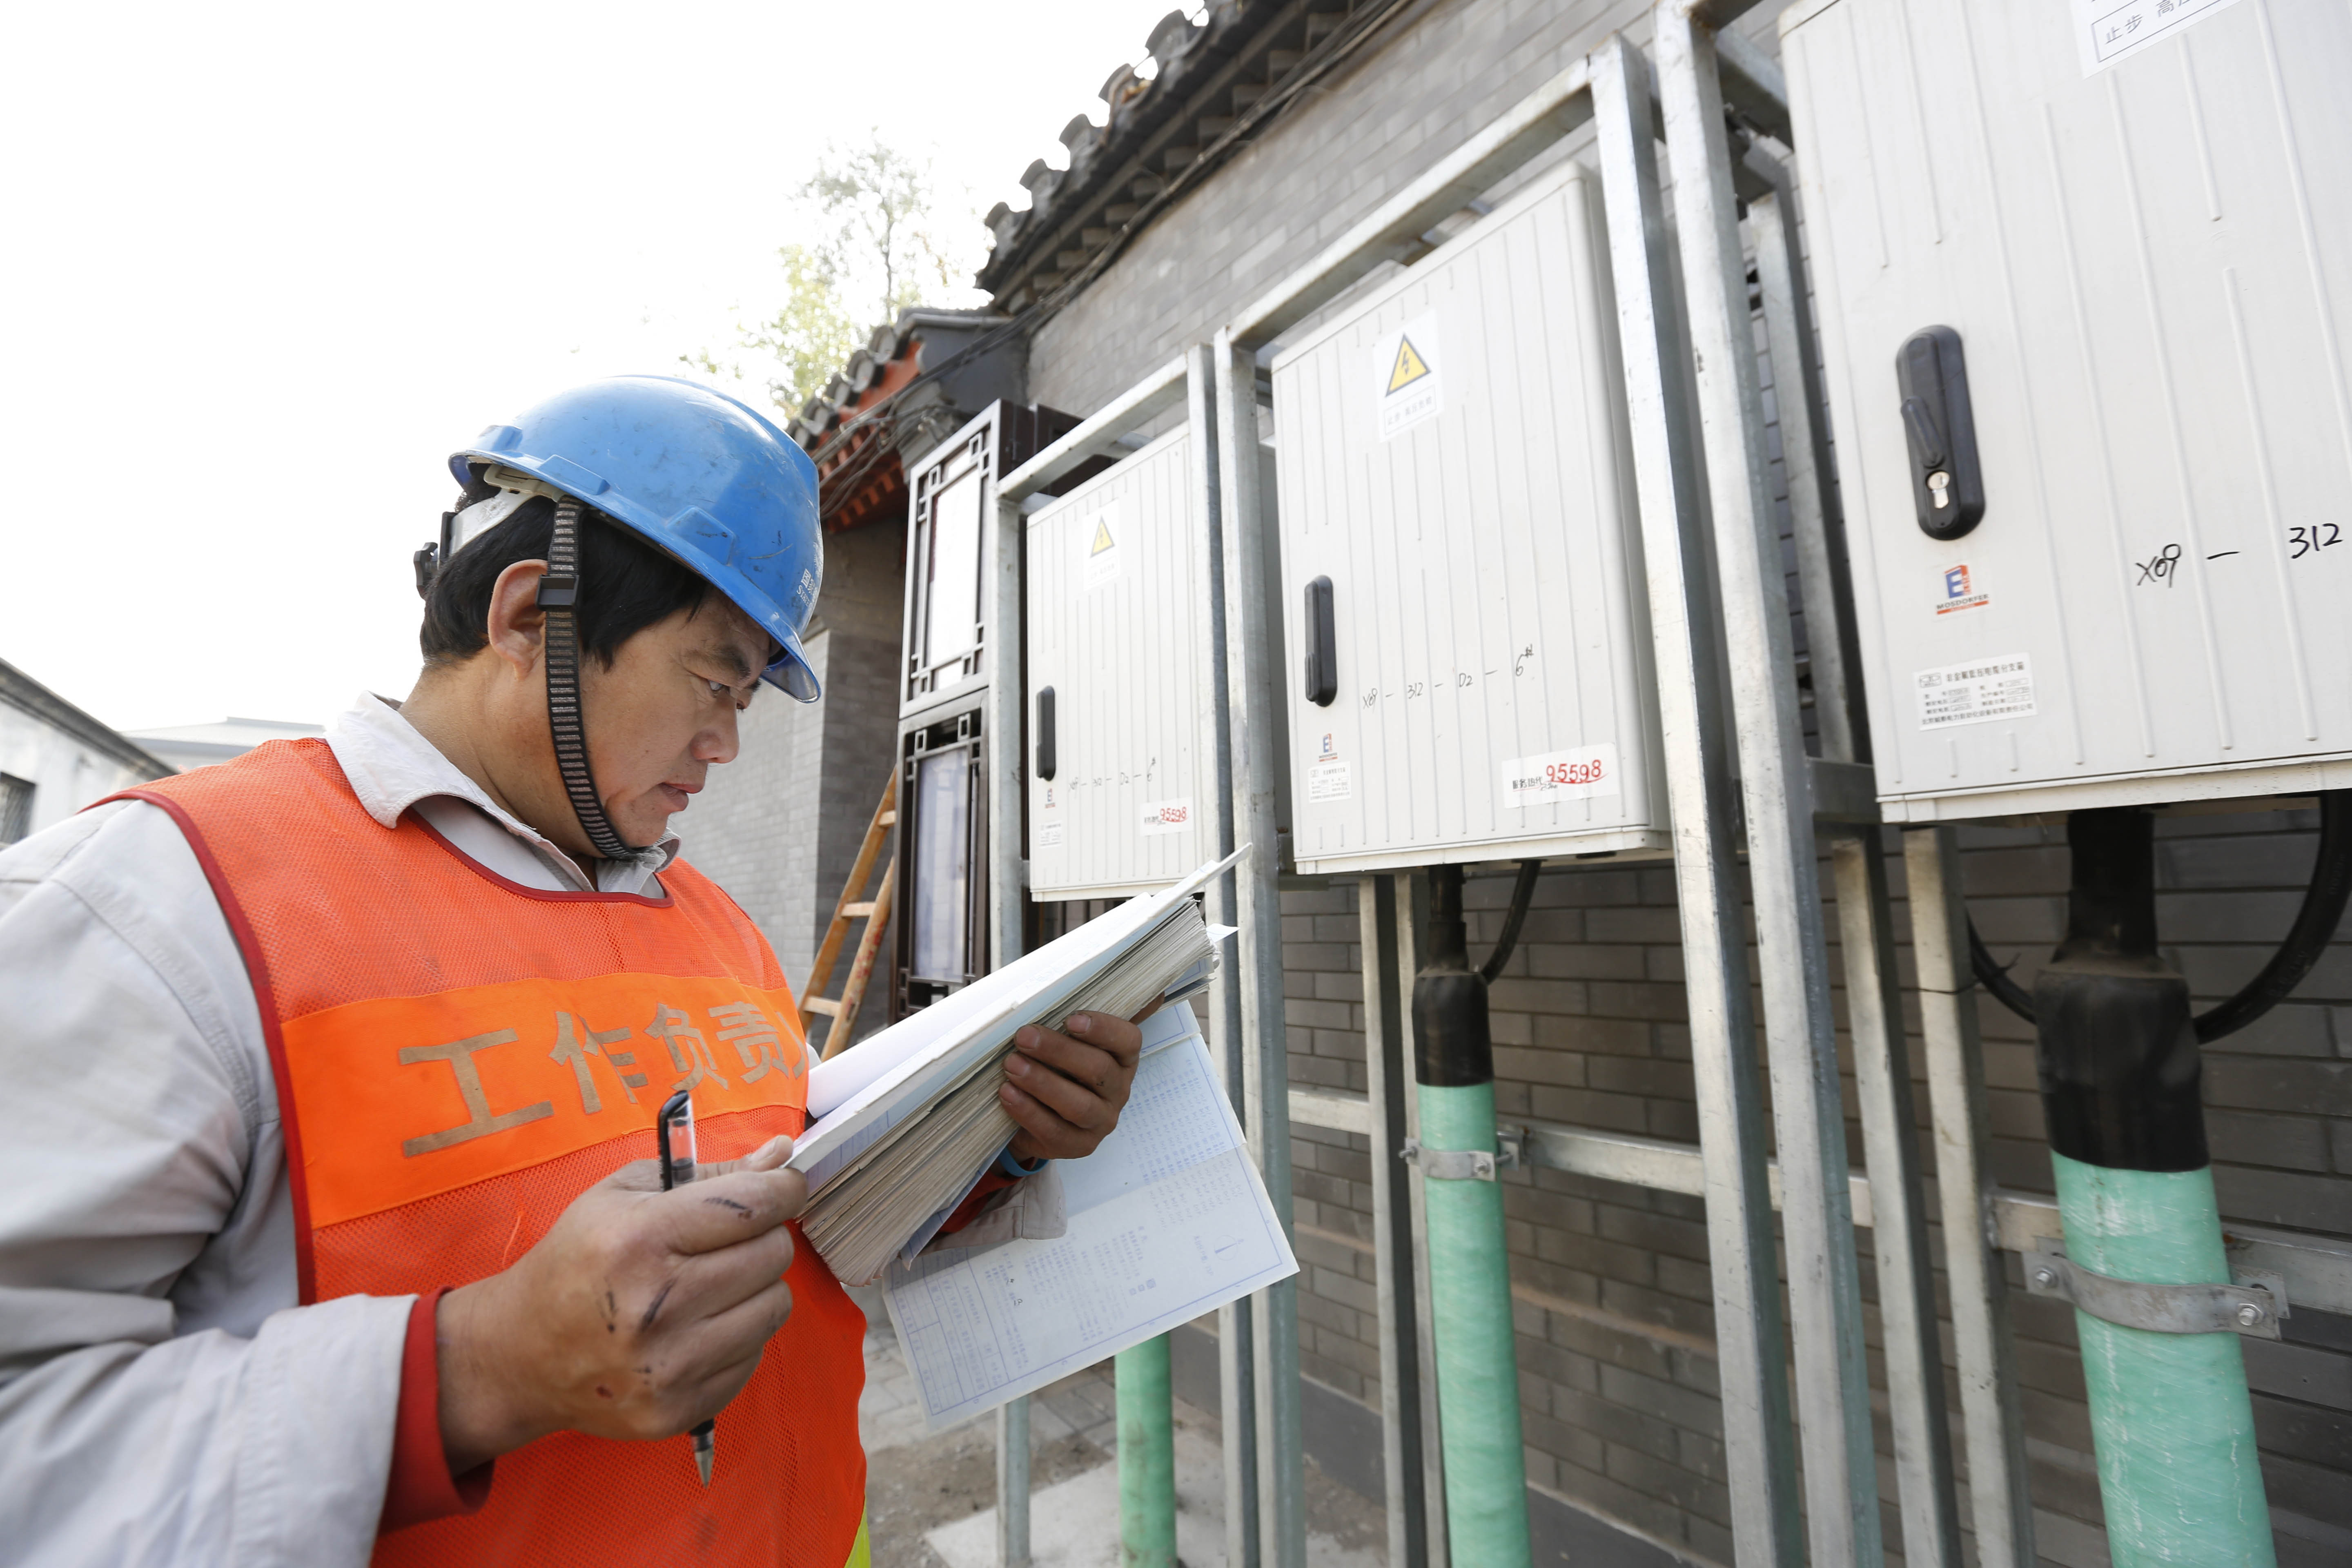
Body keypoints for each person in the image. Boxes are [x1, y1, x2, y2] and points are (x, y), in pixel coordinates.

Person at [0, 376, 1143, 1567]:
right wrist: (475, 1371)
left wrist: (995, 1146)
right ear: (529, 615)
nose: (727, 741)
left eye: (748, 696)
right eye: (714, 680)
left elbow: (804, 1237)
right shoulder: (158, 907)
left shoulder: (715, 928)